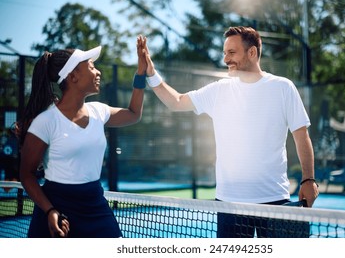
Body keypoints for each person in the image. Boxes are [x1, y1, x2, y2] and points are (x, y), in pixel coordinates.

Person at [140, 26, 319, 238]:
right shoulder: (218, 90)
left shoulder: (283, 88)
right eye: (224, 53)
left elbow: (301, 136)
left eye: (232, 53)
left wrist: (309, 179)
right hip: (228, 204)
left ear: (252, 53)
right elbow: (177, 102)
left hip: (275, 201)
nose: (226, 59)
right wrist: (151, 73)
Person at [15, 36, 148, 238]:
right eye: (91, 66)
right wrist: (50, 211)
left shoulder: (99, 112)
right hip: (58, 211)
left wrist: (141, 73)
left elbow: (133, 113)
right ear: (73, 76)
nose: (98, 72)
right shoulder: (45, 121)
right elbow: (26, 174)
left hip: (95, 205)